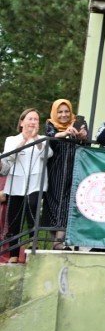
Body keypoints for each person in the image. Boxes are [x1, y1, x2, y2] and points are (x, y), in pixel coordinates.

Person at [2, 109, 52, 261]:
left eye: (36, 119)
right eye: (30, 119)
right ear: (22, 122)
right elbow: (9, 156)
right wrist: (24, 140)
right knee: (14, 220)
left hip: (36, 183)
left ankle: (32, 244)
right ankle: (14, 254)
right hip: (15, 184)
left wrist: (35, 138)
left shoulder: (42, 139)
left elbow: (48, 154)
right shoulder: (11, 139)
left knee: (32, 207)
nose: (33, 122)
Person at [43, 99, 88, 248]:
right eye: (60, 112)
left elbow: (86, 143)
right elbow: (50, 137)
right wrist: (65, 132)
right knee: (54, 200)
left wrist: (83, 136)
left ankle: (59, 240)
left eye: (66, 111)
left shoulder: (79, 123)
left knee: (68, 201)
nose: (64, 115)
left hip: (75, 167)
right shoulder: (50, 124)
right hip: (56, 167)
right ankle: (55, 239)